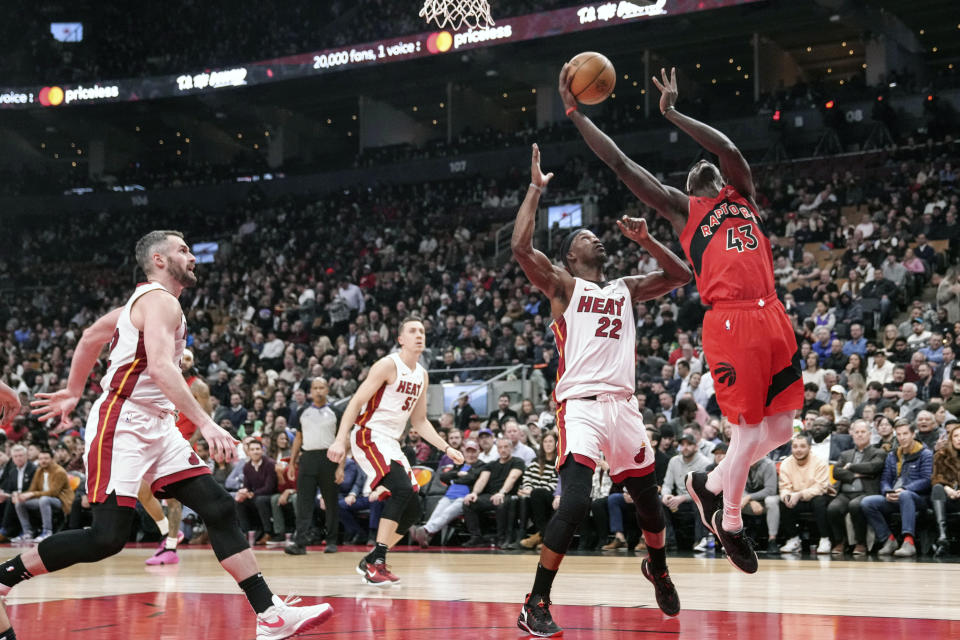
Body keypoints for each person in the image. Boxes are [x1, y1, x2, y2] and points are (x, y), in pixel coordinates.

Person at [25, 230, 331, 640]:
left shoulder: (141, 305)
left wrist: (75, 391)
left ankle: (270, 614)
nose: (192, 257)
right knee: (106, 538)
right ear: (158, 260)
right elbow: (160, 368)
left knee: (218, 507)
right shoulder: (160, 300)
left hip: (157, 423)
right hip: (124, 420)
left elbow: (90, 337)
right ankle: (8, 574)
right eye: (183, 250)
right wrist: (206, 423)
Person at [566, 65, 801, 574]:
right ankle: (730, 520)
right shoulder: (681, 209)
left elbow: (730, 152)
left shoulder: (741, 193)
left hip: (772, 311)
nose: (702, 165)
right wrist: (575, 114)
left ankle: (710, 485)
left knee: (781, 428)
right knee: (747, 431)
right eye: (695, 168)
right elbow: (623, 165)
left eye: (707, 165)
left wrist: (674, 112)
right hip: (731, 320)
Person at [512, 140, 691, 635]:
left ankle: (656, 566)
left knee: (651, 508)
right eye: (591, 236)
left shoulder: (624, 287)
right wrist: (534, 189)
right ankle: (536, 603)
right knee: (573, 503)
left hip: (624, 408)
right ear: (572, 252)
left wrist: (649, 241)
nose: (601, 240)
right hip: (582, 408)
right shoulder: (564, 285)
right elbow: (521, 248)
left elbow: (682, 275)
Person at [327, 316, 462, 585]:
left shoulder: (422, 375)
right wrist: (340, 440)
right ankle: (377, 561)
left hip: (391, 441)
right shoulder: (388, 365)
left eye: (422, 331)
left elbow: (420, 421)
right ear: (401, 339)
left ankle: (372, 560)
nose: (419, 335)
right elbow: (355, 402)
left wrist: (446, 446)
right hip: (369, 434)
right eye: (412, 331)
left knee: (412, 509)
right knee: (400, 489)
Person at [140, 347, 211, 565]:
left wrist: (191, 442)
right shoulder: (163, 382)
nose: (186, 362)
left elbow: (206, 417)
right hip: (160, 444)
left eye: (189, 359)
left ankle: (170, 546)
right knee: (141, 491)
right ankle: (168, 533)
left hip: (182, 447)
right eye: (182, 359)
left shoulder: (199, 386)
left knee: (172, 499)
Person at [860, 421, 933, 557]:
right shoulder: (892, 455)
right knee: (867, 502)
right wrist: (887, 492)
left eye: (905, 433)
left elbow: (927, 480)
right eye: (898, 434)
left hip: (918, 498)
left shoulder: (925, 454)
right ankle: (888, 540)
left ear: (913, 434)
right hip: (895, 496)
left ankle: (908, 542)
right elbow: (885, 479)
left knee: (906, 495)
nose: (902, 437)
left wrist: (905, 489)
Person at [285, 377, 340, 555]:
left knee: (330, 502)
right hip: (307, 458)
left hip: (329, 457)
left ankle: (331, 541)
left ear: (327, 390)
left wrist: (341, 466)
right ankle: (300, 543)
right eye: (315, 388)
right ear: (310, 391)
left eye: (321, 387)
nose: (318, 391)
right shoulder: (302, 412)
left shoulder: (336, 411)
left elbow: (343, 440)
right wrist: (292, 463)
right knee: (303, 502)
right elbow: (298, 439)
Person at [827, 420, 886, 555]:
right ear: (851, 434)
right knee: (833, 508)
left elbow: (873, 467)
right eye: (857, 432)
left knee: (855, 506)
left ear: (870, 434)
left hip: (865, 492)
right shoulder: (845, 454)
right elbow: (836, 472)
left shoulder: (878, 452)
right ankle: (840, 541)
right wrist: (856, 475)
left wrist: (850, 466)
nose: (860, 435)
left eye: (863, 432)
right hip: (845, 493)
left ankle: (861, 543)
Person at [414, 439, 484, 548]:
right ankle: (426, 537)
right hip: (449, 496)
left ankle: (426, 530)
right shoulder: (459, 465)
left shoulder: (481, 466)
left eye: (473, 452)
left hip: (464, 498)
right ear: (464, 452)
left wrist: (454, 479)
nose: (470, 454)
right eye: (468, 451)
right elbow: (443, 476)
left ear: (479, 452)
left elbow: (471, 478)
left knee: (447, 513)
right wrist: (458, 474)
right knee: (436, 514)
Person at [777, 434, 830, 554]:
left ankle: (825, 539)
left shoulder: (820, 462)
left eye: (802, 446)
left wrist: (800, 494)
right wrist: (787, 496)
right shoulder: (786, 463)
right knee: (783, 502)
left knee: (819, 501)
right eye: (795, 446)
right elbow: (784, 487)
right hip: (796, 499)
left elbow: (820, 488)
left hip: (814, 498)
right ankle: (793, 540)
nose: (798, 450)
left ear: (809, 448)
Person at [660, 434, 711, 551]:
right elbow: (667, 484)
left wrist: (682, 498)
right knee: (658, 501)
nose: (685, 447)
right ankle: (669, 541)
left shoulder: (704, 463)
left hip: (696, 501)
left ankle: (700, 540)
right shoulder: (674, 461)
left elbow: (702, 492)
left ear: (696, 447)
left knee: (700, 503)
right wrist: (666, 496)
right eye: (682, 444)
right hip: (677, 502)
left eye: (689, 444)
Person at [12, 448, 73, 543]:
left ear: (52, 459)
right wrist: (20, 496)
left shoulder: (59, 471)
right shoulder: (39, 471)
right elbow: (32, 490)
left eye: (46, 458)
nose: (43, 461)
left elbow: (53, 493)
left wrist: (32, 494)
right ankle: (27, 532)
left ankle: (47, 531)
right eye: (40, 459)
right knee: (20, 503)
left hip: (61, 501)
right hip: (43, 500)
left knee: (44, 499)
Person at [930, 422, 960, 555]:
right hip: (947, 499)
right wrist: (948, 489)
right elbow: (936, 477)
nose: (959, 439)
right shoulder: (941, 455)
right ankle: (943, 536)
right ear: (951, 439)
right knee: (937, 487)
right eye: (956, 436)